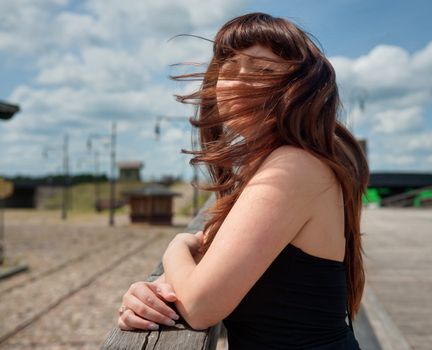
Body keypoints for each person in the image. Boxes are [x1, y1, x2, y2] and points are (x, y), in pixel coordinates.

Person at [118, 12, 368, 349]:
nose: (237, 81)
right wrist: (151, 293)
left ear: (299, 89)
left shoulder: (294, 166)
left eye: (263, 71)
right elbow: (210, 276)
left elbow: (201, 307)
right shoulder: (274, 164)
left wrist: (176, 245)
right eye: (229, 67)